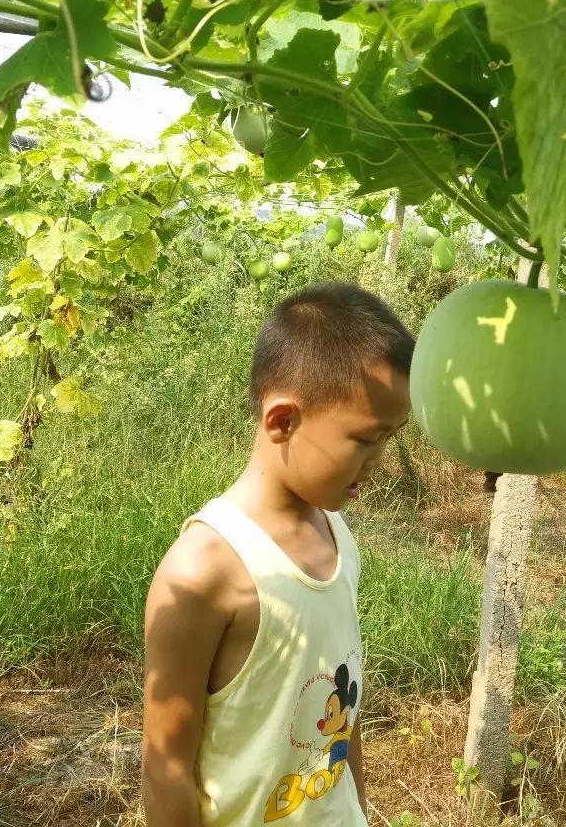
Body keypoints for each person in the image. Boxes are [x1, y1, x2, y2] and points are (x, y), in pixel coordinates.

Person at [140, 281, 414, 826]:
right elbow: (166, 769)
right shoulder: (204, 572)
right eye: (364, 440)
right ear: (283, 421)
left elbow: (344, 709)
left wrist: (357, 807)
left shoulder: (336, 534)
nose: (378, 461)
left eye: (391, 439)